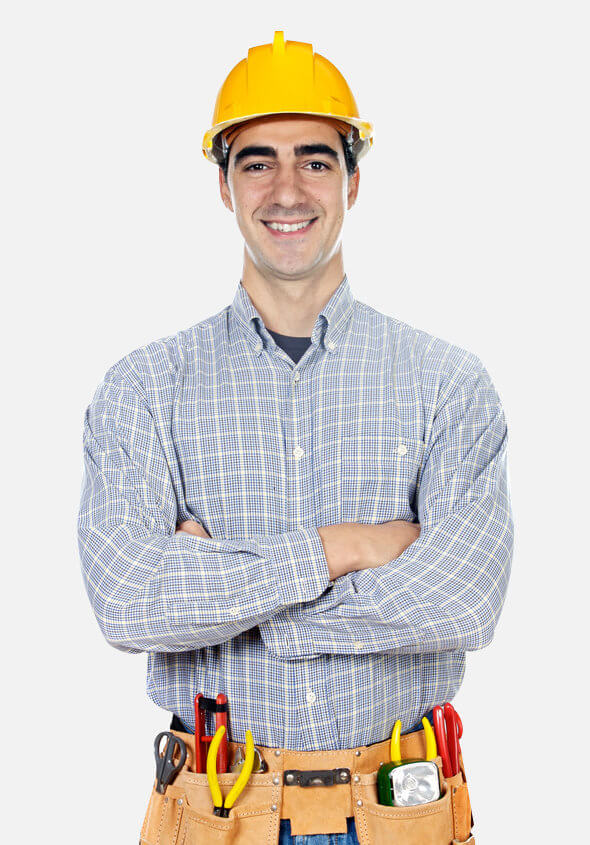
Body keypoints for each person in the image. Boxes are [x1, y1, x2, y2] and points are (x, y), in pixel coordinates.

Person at [78, 31, 513, 845]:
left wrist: (234, 602)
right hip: (216, 812)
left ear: (354, 179)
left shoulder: (448, 384)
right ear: (223, 184)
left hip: (401, 811)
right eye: (257, 162)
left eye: (314, 160)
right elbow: (130, 598)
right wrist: (343, 548)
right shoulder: (143, 389)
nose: (287, 189)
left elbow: (462, 598)